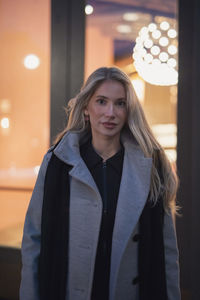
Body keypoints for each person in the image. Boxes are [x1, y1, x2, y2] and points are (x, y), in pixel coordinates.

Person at [20, 66, 180, 300]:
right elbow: (34, 239)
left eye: (120, 103)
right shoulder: (58, 162)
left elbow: (167, 251)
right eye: (102, 101)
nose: (110, 112)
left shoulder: (151, 165)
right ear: (86, 108)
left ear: (129, 111)